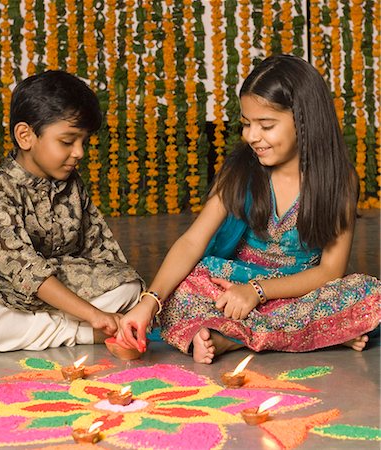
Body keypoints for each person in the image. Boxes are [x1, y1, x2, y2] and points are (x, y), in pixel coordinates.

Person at [117, 54, 380, 363]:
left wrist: (258, 292)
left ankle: (232, 339)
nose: (252, 136)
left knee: (369, 294)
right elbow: (192, 242)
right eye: (246, 124)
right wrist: (149, 302)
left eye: (266, 125)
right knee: (184, 288)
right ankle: (322, 334)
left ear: (304, 119)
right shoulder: (241, 170)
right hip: (234, 285)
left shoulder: (338, 179)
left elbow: (330, 271)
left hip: (299, 289)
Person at [0, 70, 143, 353]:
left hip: (65, 282)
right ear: (25, 136)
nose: (79, 152)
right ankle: (79, 333)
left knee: (129, 286)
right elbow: (26, 271)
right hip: (2, 291)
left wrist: (123, 289)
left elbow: (101, 252)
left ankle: (14, 334)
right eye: (68, 142)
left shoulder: (73, 186)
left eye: (84, 142)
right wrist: (94, 316)